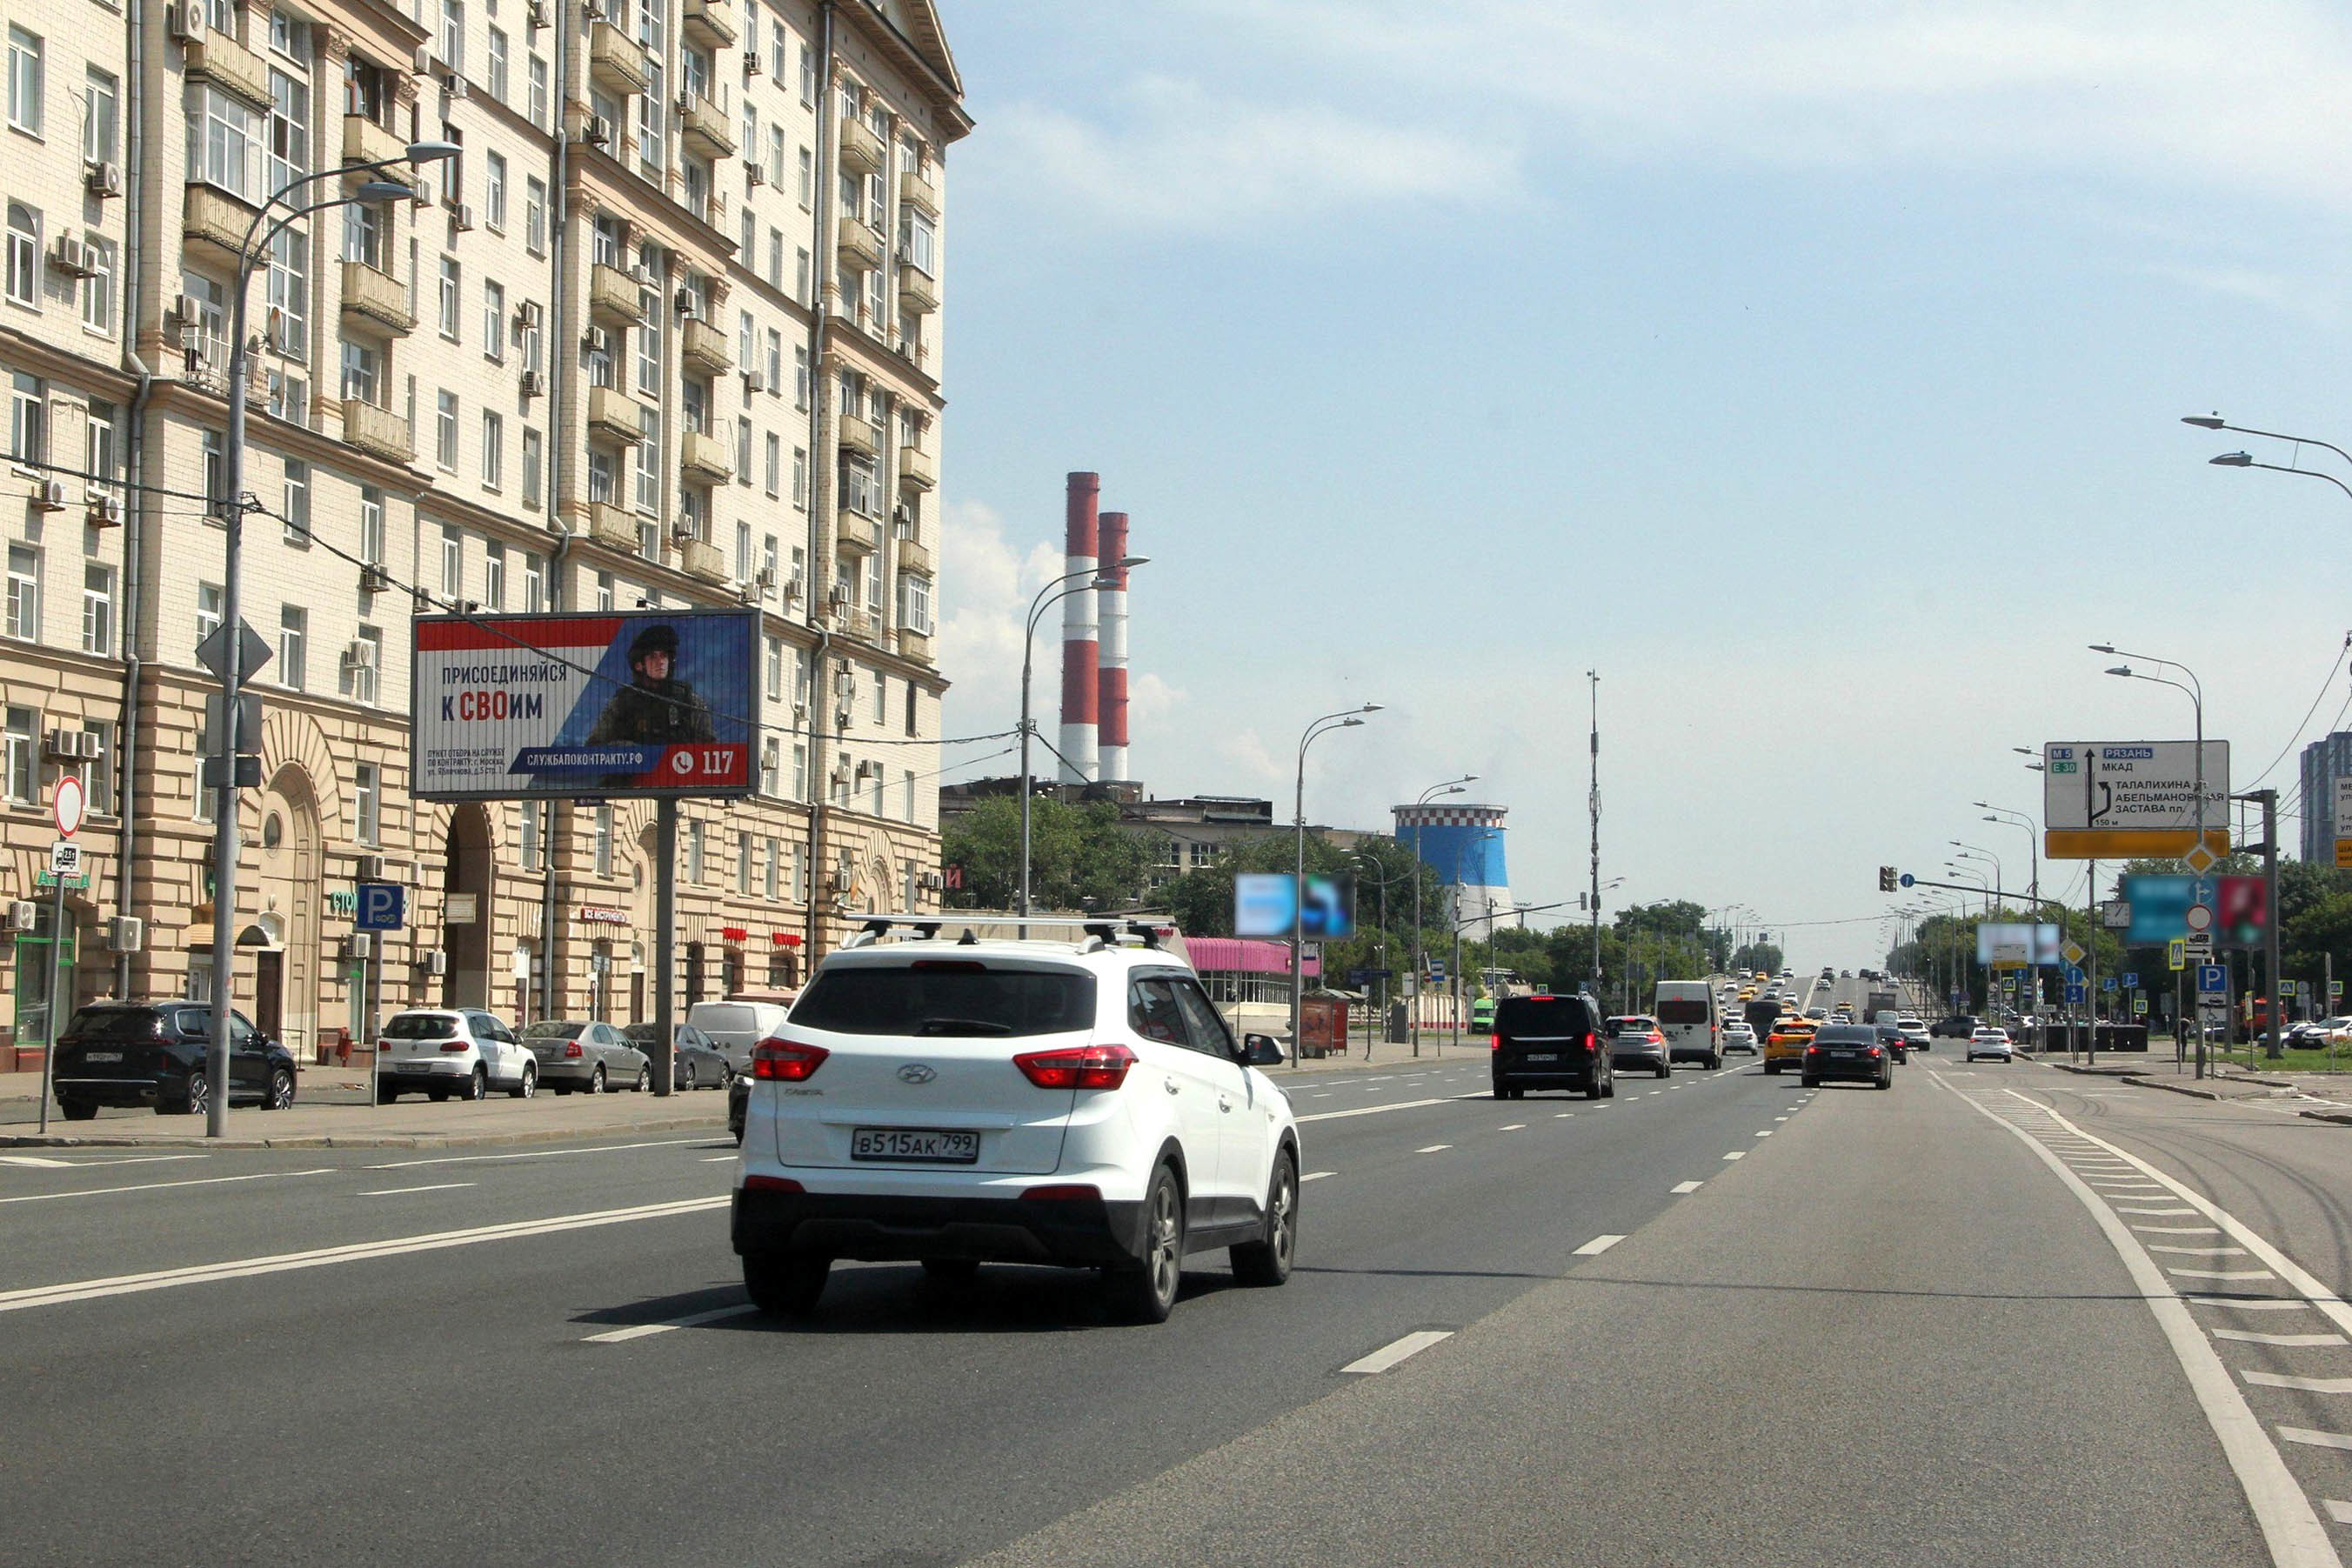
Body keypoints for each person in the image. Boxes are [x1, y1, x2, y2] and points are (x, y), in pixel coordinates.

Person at [586, 624, 716, 750]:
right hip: (634, 771)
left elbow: (710, 749)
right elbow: (594, 747)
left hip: (681, 769)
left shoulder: (688, 701)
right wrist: (631, 751)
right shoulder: (622, 703)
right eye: (653, 657)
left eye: (664, 656)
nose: (660, 662)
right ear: (639, 665)